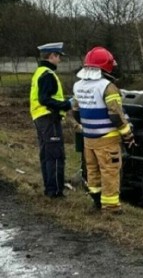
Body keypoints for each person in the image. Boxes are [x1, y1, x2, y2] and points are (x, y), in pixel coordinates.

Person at [72, 47, 135, 214]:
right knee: (109, 171)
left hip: (89, 138)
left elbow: (76, 112)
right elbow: (116, 114)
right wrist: (127, 134)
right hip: (107, 138)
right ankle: (111, 206)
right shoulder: (108, 86)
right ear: (106, 67)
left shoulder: (78, 85)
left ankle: (96, 202)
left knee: (92, 170)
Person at [30, 42, 73, 198]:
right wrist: (67, 104)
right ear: (52, 56)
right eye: (58, 56)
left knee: (47, 154)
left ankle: (50, 189)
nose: (59, 60)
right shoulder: (47, 74)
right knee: (56, 155)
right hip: (49, 117)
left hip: (41, 117)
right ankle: (55, 191)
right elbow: (44, 99)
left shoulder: (39, 72)